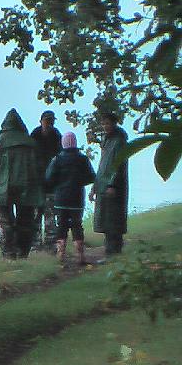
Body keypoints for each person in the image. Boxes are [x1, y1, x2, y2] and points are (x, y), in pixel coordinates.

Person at [0, 108, 43, 260]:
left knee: (4, 221)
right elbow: (39, 166)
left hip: (3, 187)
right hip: (28, 187)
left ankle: (9, 254)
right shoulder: (30, 142)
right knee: (26, 222)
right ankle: (23, 252)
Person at [45, 132, 96, 265]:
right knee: (77, 225)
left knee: (61, 225)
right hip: (77, 198)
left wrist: (57, 185)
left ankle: (60, 254)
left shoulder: (57, 159)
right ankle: (80, 255)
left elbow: (49, 178)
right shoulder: (83, 159)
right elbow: (91, 177)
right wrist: (79, 182)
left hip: (61, 198)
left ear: (63, 143)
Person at [90, 112, 129, 256]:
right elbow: (102, 166)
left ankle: (114, 252)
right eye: (103, 123)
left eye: (108, 123)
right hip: (102, 185)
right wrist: (94, 187)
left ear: (114, 123)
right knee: (105, 221)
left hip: (113, 187)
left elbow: (118, 165)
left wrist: (112, 184)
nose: (105, 126)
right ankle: (109, 251)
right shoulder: (106, 141)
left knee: (113, 221)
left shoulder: (119, 141)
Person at [30, 110, 63, 251]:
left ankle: (50, 243)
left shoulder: (57, 136)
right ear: (41, 121)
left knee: (50, 215)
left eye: (51, 121)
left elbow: (60, 158)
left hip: (52, 183)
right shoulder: (34, 135)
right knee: (36, 215)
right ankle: (36, 243)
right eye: (47, 120)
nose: (49, 123)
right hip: (36, 182)